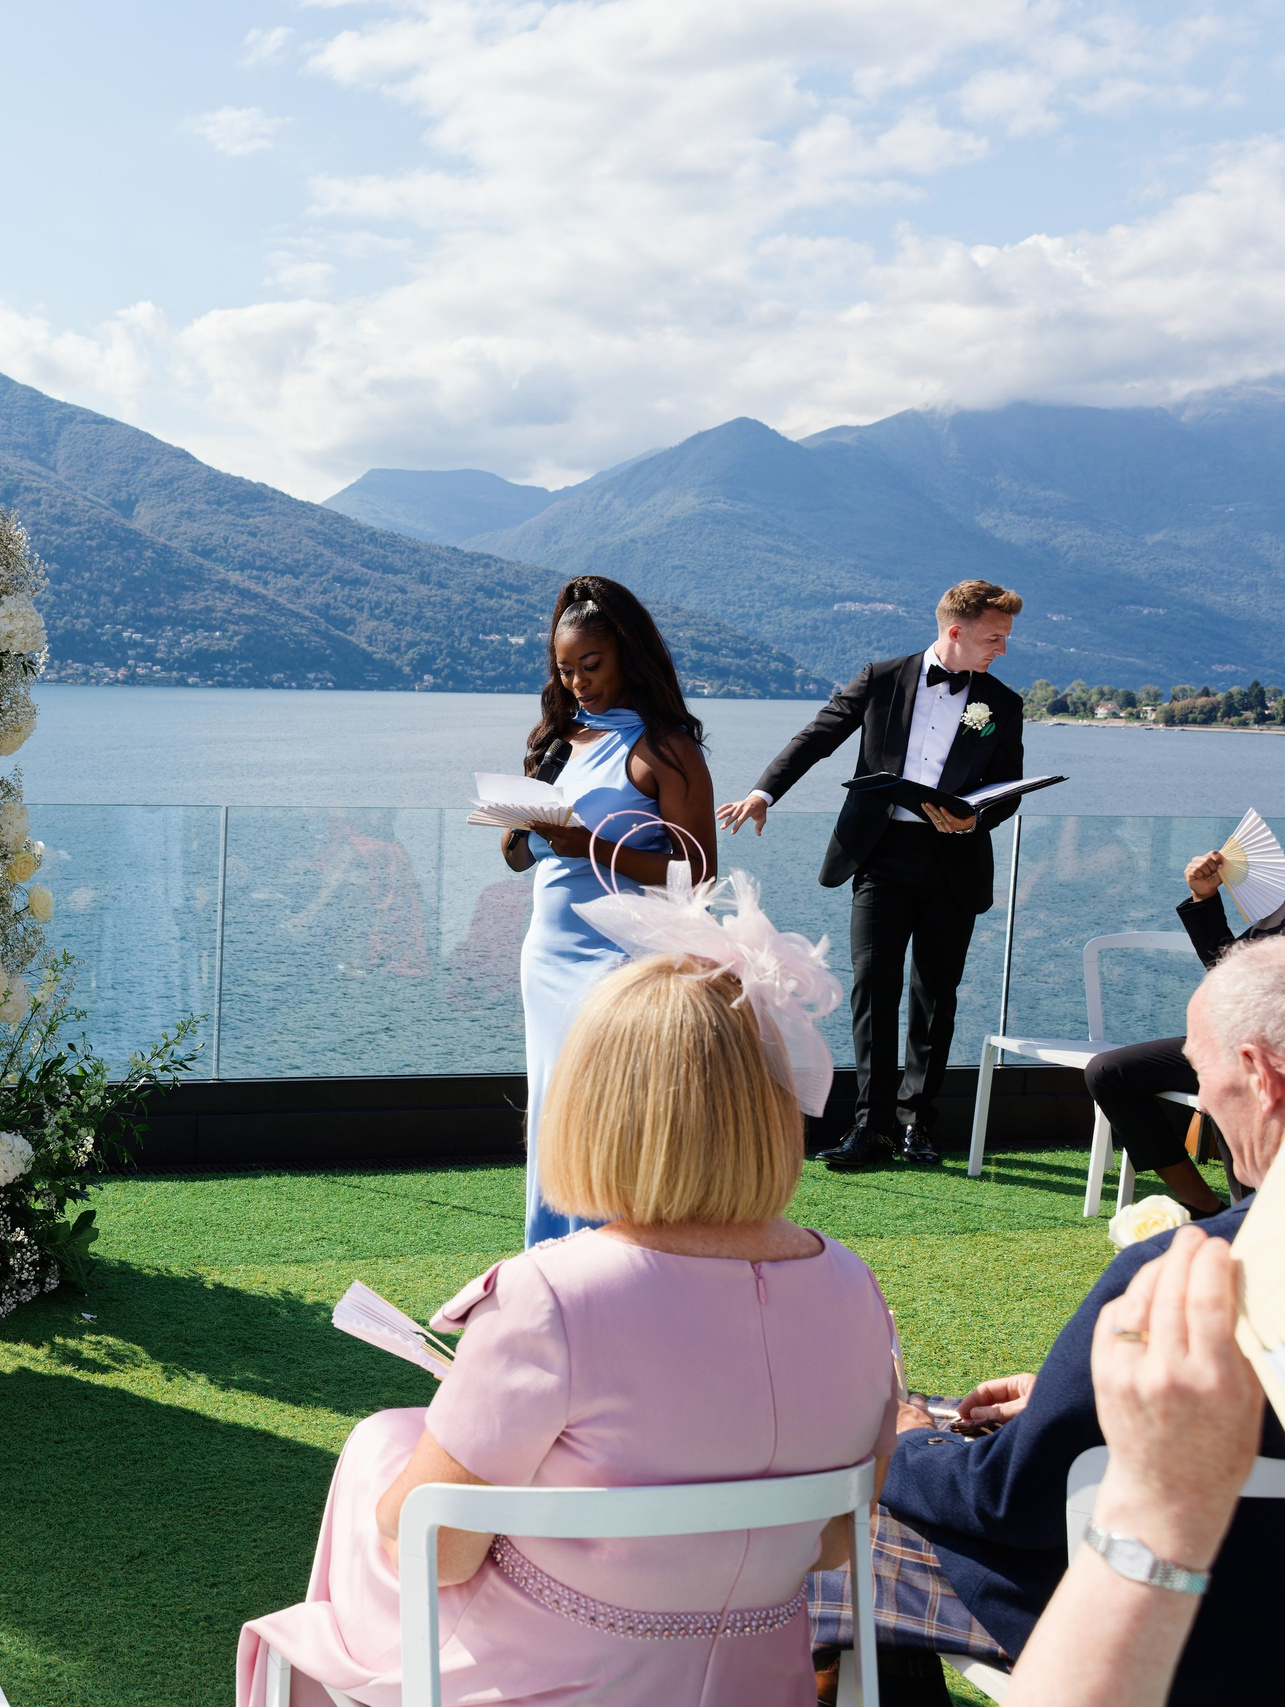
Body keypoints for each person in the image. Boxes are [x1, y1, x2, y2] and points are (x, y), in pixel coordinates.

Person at [239, 883, 895, 1707]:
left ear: (597, 1107)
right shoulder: (854, 1288)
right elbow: (836, 1538)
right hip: (762, 1686)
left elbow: (433, 1550)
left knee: (376, 1460)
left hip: (552, 1685)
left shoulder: (550, 1295)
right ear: (772, 1107)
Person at [813, 935, 1285, 1702]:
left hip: (1175, 1632)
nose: (1200, 1105)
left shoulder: (1186, 1275)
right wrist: (1087, 1398)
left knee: (852, 1524)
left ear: (1260, 1077)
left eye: (1201, 1076)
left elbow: (1009, 1497)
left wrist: (907, 1441)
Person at [720, 580, 1025, 1170]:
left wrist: (973, 817)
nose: (1002, 650)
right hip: (880, 855)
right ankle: (871, 1127)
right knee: (873, 989)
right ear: (955, 632)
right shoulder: (882, 677)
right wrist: (763, 793)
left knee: (936, 995)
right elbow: (817, 737)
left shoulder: (1001, 703)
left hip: (955, 859)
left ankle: (917, 1126)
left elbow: (1007, 786)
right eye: (995, 638)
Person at [504, 576, 715, 1246]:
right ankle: (550, 1265)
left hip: (617, 963)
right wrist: (518, 815)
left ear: (627, 652)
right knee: (550, 1112)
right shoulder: (558, 743)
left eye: (590, 666)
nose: (577, 684)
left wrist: (590, 844)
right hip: (547, 959)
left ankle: (612, 1268)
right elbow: (519, 859)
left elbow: (699, 872)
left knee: (603, 1118)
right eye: (565, 671)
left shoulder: (667, 750)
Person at [1004, 1226, 1267, 1707]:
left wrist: (914, 1442)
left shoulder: (1177, 1266)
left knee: (869, 1526)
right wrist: (1061, 1397)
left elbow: (1005, 1496)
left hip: (1151, 1648)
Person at [1081, 839, 1285, 1217]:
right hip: (1242, 1044)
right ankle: (1204, 1207)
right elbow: (1228, 972)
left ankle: (1252, 1217)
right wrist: (1204, 898)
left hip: (1266, 1057)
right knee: (1110, 1073)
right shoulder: (1282, 907)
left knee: (1235, 1077)